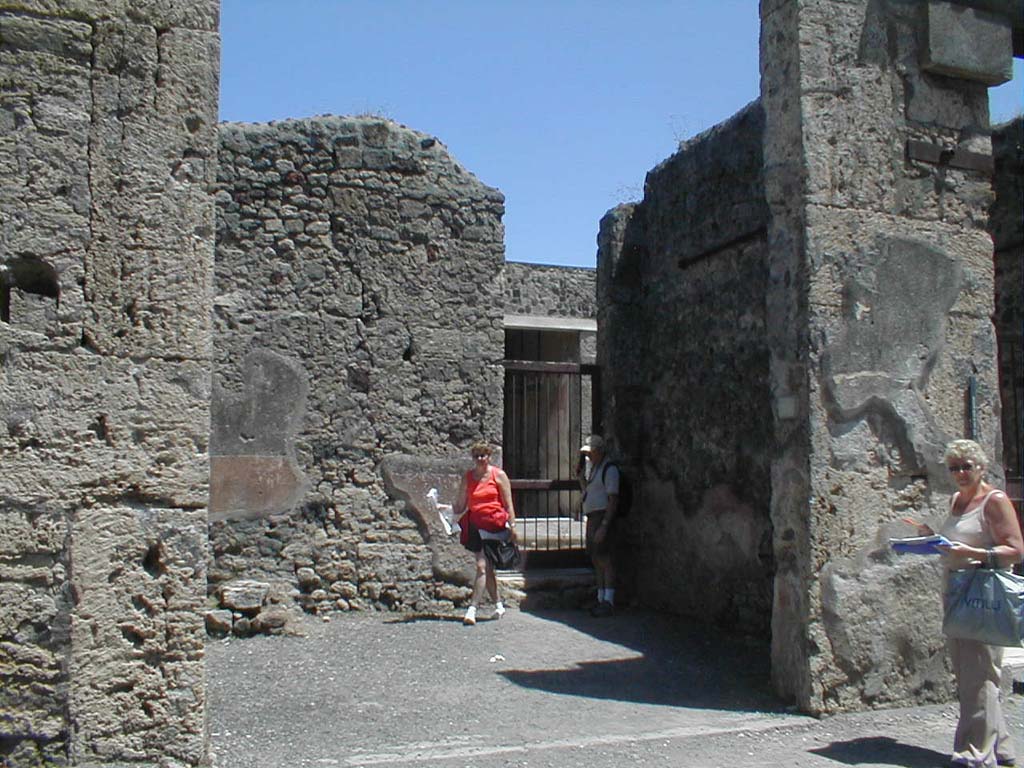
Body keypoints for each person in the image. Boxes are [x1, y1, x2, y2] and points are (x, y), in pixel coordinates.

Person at [916, 439, 1023, 767]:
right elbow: (957, 542)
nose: (960, 473)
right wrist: (929, 538)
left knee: (980, 674)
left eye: (966, 466)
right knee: (971, 672)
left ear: (981, 467)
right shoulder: (956, 501)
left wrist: (973, 554)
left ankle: (974, 752)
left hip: (983, 596)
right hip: (957, 592)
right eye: (954, 468)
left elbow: (1016, 550)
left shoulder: (994, 500)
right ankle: (1001, 748)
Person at [453, 442, 517, 626]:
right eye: (476, 456)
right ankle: (474, 610)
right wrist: (442, 507)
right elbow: (461, 505)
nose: (480, 459)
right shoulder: (468, 477)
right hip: (475, 525)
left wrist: (513, 526)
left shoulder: (499, 475)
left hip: (494, 525)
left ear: (489, 457)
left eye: (483, 455)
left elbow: (508, 503)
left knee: (486, 568)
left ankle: (492, 605)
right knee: (482, 566)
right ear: (473, 458)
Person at [577, 435, 619, 617]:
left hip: (601, 517)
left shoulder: (609, 470)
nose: (588, 457)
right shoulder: (595, 469)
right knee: (596, 558)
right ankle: (600, 598)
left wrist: (604, 525)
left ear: (599, 451)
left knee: (605, 558)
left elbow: (613, 499)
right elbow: (590, 491)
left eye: (590, 453)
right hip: (593, 517)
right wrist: (580, 479)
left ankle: (608, 600)